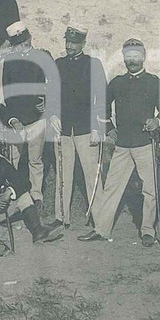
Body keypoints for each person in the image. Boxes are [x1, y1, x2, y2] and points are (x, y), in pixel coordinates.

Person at [79, 39, 160, 247]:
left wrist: (157, 122)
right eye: (128, 56)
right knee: (111, 188)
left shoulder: (153, 82)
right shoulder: (117, 83)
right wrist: (110, 129)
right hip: (122, 146)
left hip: (144, 144)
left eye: (135, 56)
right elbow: (102, 109)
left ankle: (148, 231)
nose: (131, 60)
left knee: (149, 190)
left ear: (144, 57)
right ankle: (101, 229)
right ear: (123, 57)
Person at [0, 130, 64, 256]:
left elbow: (24, 183)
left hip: (1, 211)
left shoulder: (1, 163)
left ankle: (38, 232)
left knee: (24, 195)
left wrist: (9, 192)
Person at [50, 24, 108, 228]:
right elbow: (52, 94)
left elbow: (101, 98)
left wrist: (97, 127)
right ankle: (61, 217)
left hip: (86, 128)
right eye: (67, 42)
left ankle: (100, 218)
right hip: (64, 129)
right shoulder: (58, 64)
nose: (69, 46)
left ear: (83, 43)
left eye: (74, 42)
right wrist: (53, 116)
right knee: (63, 174)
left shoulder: (93, 64)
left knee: (92, 174)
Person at [0, 20, 57, 208]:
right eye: (19, 44)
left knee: (35, 160)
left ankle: (36, 196)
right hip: (17, 119)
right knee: (13, 160)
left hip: (37, 118)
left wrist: (46, 104)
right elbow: (6, 92)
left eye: (26, 41)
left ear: (29, 38)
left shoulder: (41, 57)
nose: (24, 46)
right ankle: (15, 194)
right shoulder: (9, 63)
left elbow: (52, 84)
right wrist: (13, 120)